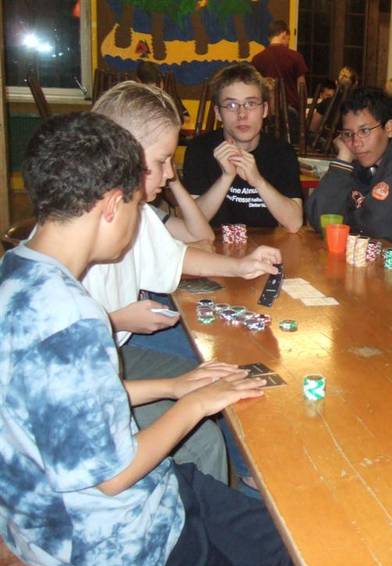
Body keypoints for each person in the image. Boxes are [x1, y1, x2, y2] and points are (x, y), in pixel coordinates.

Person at [0, 111, 309, 566]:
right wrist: (195, 404)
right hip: (120, 545)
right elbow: (111, 477)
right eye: (136, 201)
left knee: (291, 550)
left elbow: (69, 407)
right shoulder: (72, 318)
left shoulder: (16, 271)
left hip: (136, 497)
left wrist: (172, 386)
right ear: (111, 205)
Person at [85, 81, 284, 484]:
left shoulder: (135, 210)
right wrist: (116, 321)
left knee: (219, 373)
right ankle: (209, 505)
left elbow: (177, 256)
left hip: (115, 355)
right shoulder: (89, 229)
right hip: (101, 367)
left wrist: (241, 266)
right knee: (203, 436)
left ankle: (247, 478)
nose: (169, 173)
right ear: (123, 155)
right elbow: (72, 351)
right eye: (162, 160)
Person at [306, 86, 392, 248]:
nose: (356, 142)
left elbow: (375, 227)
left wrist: (342, 220)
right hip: (368, 257)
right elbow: (318, 218)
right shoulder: (357, 159)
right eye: (348, 134)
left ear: (389, 128)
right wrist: (343, 161)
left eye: (365, 131)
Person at [183, 62, 303, 231]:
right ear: (218, 113)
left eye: (251, 104)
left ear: (264, 109)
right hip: (211, 243)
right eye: (231, 105)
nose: (242, 114)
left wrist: (258, 181)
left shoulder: (282, 152)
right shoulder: (199, 149)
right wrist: (226, 178)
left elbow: (294, 223)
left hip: (265, 245)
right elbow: (190, 224)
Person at [252, 19, 308, 114]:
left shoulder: (257, 59)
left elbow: (254, 87)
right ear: (284, 34)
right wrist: (302, 111)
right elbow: (301, 86)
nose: (288, 43)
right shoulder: (295, 57)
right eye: (288, 39)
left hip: (266, 112)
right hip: (290, 111)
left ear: (269, 38)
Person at [309, 66, 359, 134]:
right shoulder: (360, 105)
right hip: (353, 140)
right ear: (356, 83)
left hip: (329, 140)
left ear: (336, 83)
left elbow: (312, 128)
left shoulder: (327, 103)